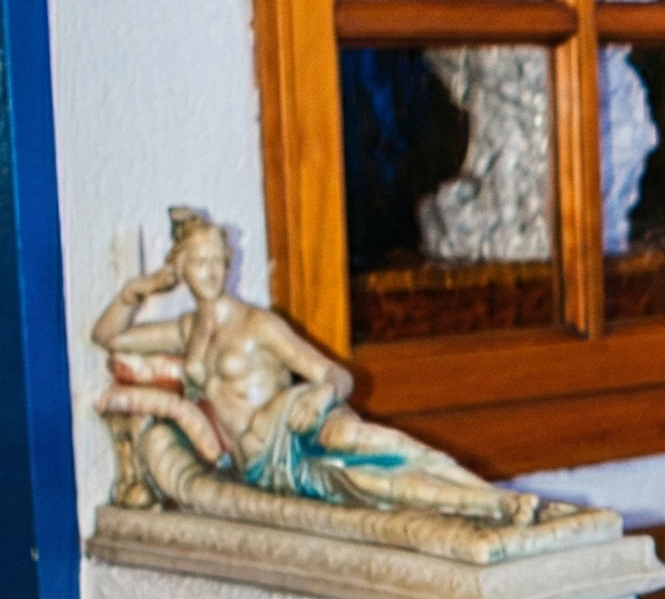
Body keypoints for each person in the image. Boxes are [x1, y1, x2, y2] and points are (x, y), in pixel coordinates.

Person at [93, 207, 540, 525]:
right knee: (372, 485)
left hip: (293, 420)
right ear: (180, 269)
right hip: (262, 466)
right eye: (198, 262)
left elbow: (335, 375)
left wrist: (323, 396)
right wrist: (139, 289)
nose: (209, 271)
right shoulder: (187, 329)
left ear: (228, 264)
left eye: (216, 260)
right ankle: (490, 508)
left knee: (379, 445)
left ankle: (493, 498)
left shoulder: (258, 325)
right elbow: (108, 337)